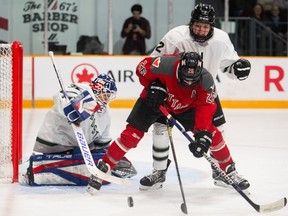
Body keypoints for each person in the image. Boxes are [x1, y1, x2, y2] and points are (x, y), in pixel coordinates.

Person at [86, 52, 250, 194]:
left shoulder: (206, 82)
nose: (188, 83)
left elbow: (206, 109)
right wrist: (153, 85)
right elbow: (141, 68)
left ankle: (230, 171)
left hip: (186, 107)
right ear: (179, 69)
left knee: (213, 134)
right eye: (185, 79)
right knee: (131, 135)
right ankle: (104, 166)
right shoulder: (164, 65)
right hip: (155, 100)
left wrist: (202, 136)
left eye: (192, 81)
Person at [142, 3, 251, 190]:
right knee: (160, 129)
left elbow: (228, 65)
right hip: (173, 92)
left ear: (212, 26)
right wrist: (157, 86)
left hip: (204, 92)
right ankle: (159, 171)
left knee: (217, 130)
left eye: (206, 26)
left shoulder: (222, 39)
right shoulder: (175, 36)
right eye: (198, 25)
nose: (201, 30)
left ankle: (220, 171)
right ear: (191, 23)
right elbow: (154, 63)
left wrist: (238, 69)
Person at [22, 74, 137, 186]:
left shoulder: (105, 114)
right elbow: (61, 98)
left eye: (109, 96)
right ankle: (38, 170)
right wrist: (73, 106)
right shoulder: (81, 90)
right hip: (54, 143)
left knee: (105, 165)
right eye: (105, 95)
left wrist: (113, 158)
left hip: (76, 149)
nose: (107, 100)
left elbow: (102, 144)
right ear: (98, 89)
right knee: (98, 170)